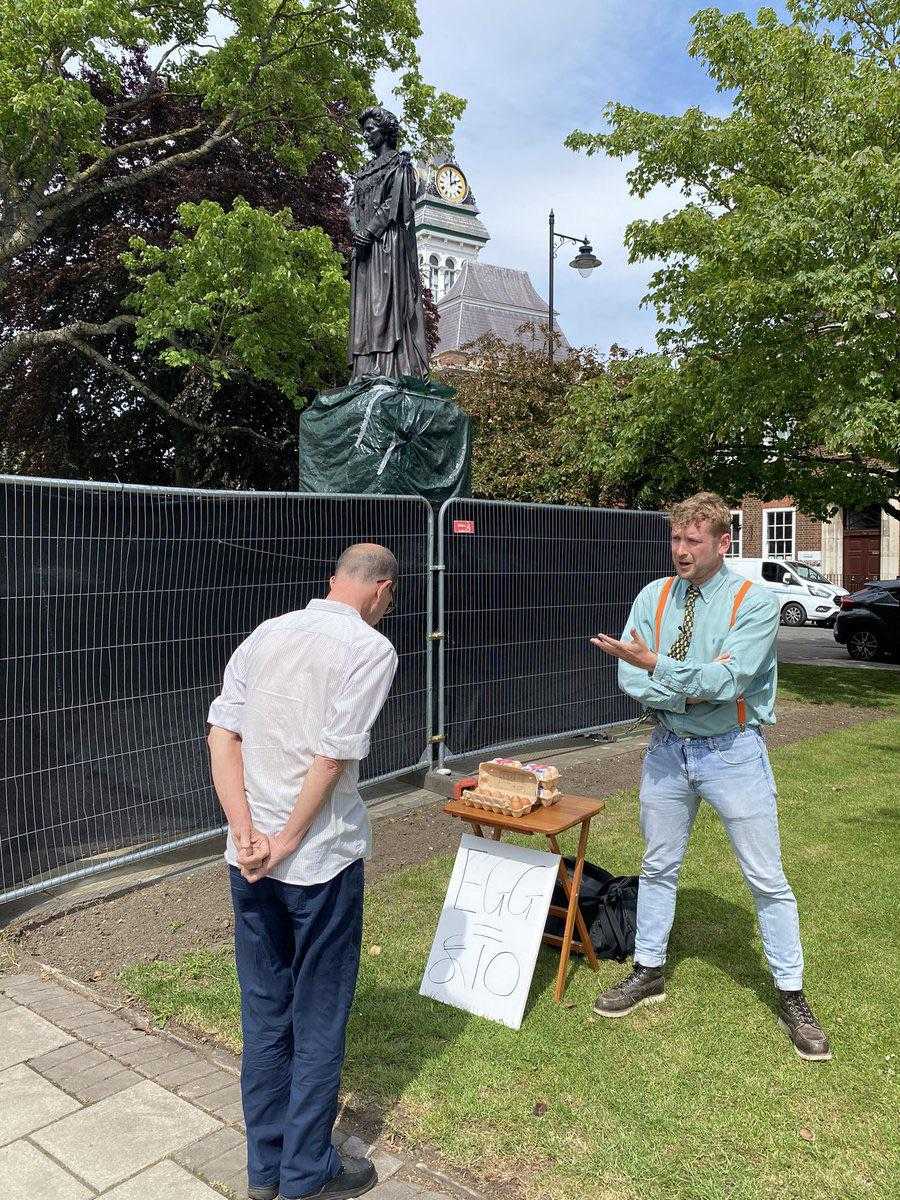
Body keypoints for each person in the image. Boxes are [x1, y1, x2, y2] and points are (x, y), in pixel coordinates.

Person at [590, 492, 831, 1061]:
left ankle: (792, 994)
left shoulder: (755, 601)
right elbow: (632, 676)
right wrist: (678, 686)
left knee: (765, 876)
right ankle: (648, 969)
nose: (680, 551)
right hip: (667, 748)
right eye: (675, 539)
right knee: (657, 864)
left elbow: (729, 681)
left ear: (724, 542)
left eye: (693, 541)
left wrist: (660, 670)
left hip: (734, 753)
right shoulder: (654, 596)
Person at [207, 544, 400, 1200]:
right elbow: (331, 758)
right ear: (381, 591)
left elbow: (221, 735)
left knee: (265, 1013)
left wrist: (245, 833)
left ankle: (265, 1171)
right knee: (318, 1016)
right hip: (317, 865)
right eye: (390, 599)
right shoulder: (371, 650)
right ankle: (305, 1174)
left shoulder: (267, 633)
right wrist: (286, 841)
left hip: (250, 862)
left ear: (333, 581)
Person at [348, 106, 429, 381]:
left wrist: (369, 232)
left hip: (386, 246)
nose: (366, 135)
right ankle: (362, 370)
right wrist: (357, 233)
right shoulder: (362, 173)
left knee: (383, 305)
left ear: (385, 131)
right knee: (364, 311)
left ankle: (385, 368)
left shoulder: (400, 164)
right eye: (365, 131)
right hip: (365, 250)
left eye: (370, 129)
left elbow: (394, 203)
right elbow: (352, 208)